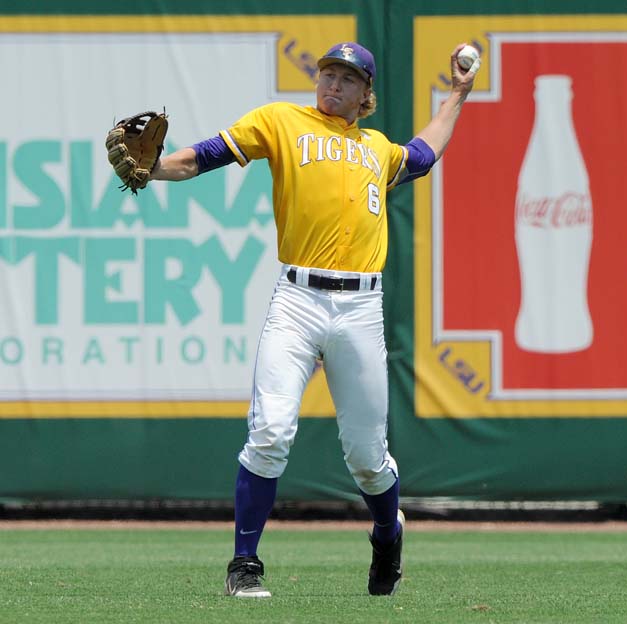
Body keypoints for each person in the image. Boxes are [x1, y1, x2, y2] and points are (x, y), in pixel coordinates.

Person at [151, 41, 480, 597]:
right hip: (297, 300)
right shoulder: (282, 122)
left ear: (365, 95)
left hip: (360, 309)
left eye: (348, 79)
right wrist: (154, 169)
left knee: (368, 459)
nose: (333, 84)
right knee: (271, 431)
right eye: (328, 73)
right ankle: (244, 565)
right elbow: (201, 157)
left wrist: (458, 93)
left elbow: (425, 154)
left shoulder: (377, 150)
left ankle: (386, 533)